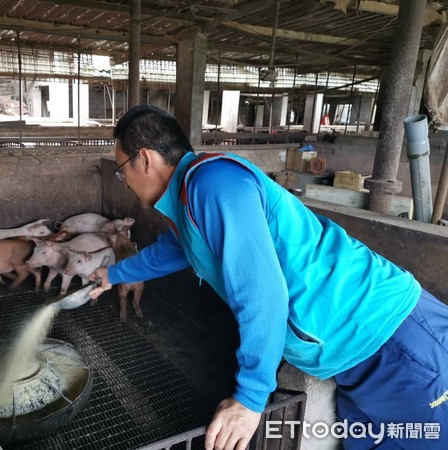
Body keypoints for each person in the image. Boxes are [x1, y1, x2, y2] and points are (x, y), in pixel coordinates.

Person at [88, 104, 448, 450]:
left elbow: (262, 292)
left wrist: (250, 396)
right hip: (352, 359)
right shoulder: (188, 202)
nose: (122, 181)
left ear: (145, 159)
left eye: (121, 170)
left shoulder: (213, 182)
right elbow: (172, 249)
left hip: (394, 341)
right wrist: (113, 273)